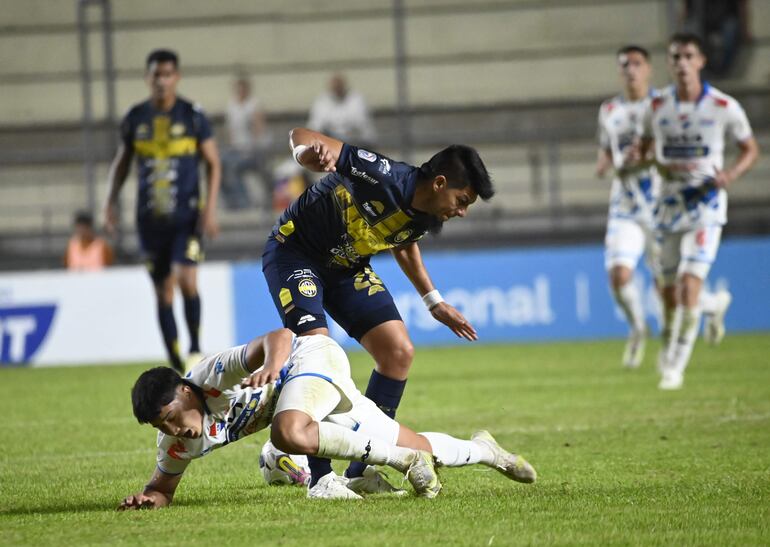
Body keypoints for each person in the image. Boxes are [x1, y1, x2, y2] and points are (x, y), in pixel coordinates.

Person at [262, 127, 493, 494]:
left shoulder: (427, 212)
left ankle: (360, 470)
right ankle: (321, 478)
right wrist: (307, 154)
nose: (462, 212)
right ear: (440, 183)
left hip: (345, 268)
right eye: (462, 200)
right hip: (295, 254)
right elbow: (299, 136)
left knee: (398, 352)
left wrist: (433, 301)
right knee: (319, 350)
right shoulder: (382, 174)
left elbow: (404, 241)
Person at [117, 329, 536, 508]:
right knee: (418, 445)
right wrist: (148, 499)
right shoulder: (176, 442)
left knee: (285, 433)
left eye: (171, 416)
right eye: (161, 426)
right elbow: (162, 488)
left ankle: (369, 469)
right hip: (308, 395)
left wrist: (271, 366)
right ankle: (484, 450)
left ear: (185, 392)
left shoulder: (211, 375)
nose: (173, 430)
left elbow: (279, 337)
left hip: (311, 357)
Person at [636, 33, 759, 390]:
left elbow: (750, 149)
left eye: (688, 56)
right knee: (670, 293)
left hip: (706, 206)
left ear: (701, 61)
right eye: (675, 57)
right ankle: (713, 305)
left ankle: (674, 365)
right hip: (668, 206)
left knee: (689, 284)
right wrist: (648, 161)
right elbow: (644, 149)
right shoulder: (656, 107)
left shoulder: (723, 106)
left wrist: (730, 174)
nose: (681, 63)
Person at [104, 49, 221, 373]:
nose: (161, 80)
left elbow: (213, 163)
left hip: (187, 217)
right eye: (156, 74)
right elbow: (122, 163)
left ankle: (195, 349)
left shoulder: (193, 116)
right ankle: (175, 360)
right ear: (148, 77)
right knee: (163, 291)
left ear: (176, 77)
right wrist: (109, 202)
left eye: (167, 74)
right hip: (150, 220)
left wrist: (210, 210)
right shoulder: (135, 118)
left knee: (186, 279)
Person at [595, 45, 661, 369]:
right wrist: (603, 164)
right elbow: (607, 149)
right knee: (619, 275)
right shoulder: (609, 109)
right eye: (625, 65)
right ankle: (638, 327)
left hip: (663, 204)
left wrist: (646, 157)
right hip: (625, 204)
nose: (630, 70)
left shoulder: (664, 105)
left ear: (648, 68)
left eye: (636, 63)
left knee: (669, 283)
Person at [221, 77, 273, 211]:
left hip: (253, 151)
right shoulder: (232, 105)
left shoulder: (254, 105)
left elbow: (259, 130)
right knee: (217, 163)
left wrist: (250, 148)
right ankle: (230, 202)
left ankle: (244, 203)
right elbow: (230, 132)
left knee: (234, 166)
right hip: (237, 150)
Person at [307, 74, 377, 147]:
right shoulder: (321, 101)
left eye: (339, 86)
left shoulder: (356, 99)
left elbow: (361, 125)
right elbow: (315, 126)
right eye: (334, 87)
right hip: (330, 144)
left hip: (357, 143)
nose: (337, 89)